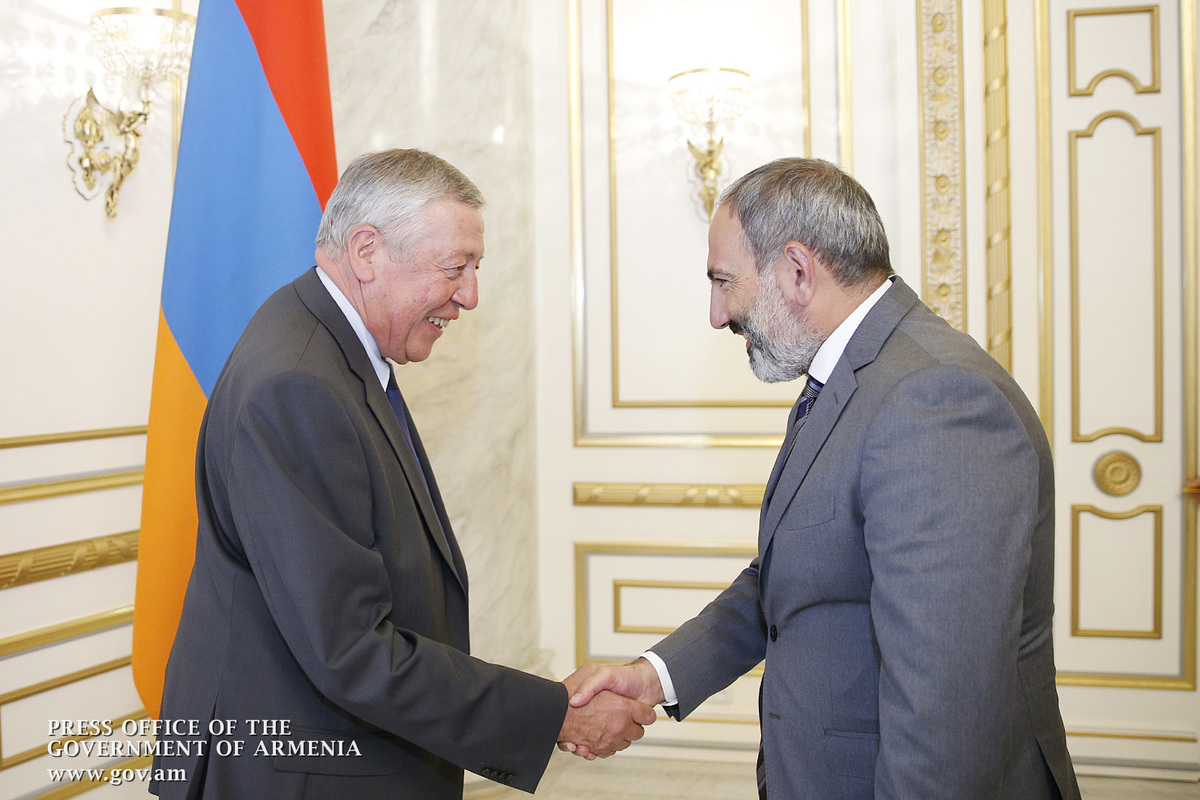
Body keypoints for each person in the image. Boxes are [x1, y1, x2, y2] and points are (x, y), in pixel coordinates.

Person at [567, 157, 1081, 799]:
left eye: (724, 281)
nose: (717, 313)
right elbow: (795, 577)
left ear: (798, 270)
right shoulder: (855, 376)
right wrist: (655, 677)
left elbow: (947, 715)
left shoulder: (936, 399)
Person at [151, 149, 654, 799]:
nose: (470, 295)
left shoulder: (327, 348)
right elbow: (351, 650)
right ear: (366, 252)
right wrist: (552, 714)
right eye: (455, 268)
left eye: (475, 269)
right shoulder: (298, 383)